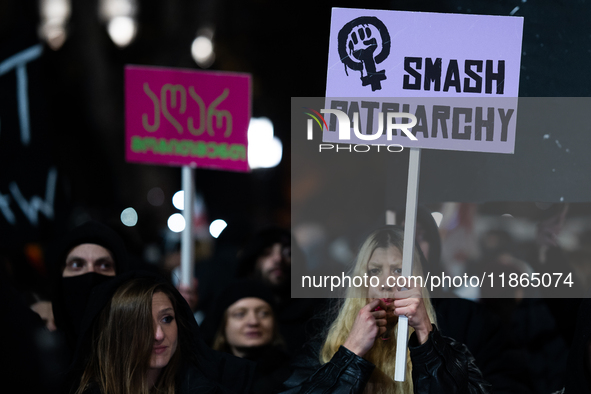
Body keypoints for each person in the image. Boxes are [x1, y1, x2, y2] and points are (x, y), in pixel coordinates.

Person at [281, 226, 491, 394]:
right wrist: (351, 352)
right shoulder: (322, 351)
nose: (386, 283)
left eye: (399, 270)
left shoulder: (451, 353)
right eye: (374, 271)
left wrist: (426, 337)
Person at [65, 271, 255, 394]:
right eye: (142, 323)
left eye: (167, 319)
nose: (158, 335)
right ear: (118, 332)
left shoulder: (202, 388)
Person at [236, 227, 324, 353]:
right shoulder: (232, 304)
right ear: (251, 261)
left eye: (289, 253)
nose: (278, 259)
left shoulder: (314, 312)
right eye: (266, 253)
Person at [204, 279, 292, 394]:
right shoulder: (204, 379)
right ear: (223, 326)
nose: (253, 321)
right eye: (240, 314)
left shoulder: (294, 377)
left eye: (264, 313)